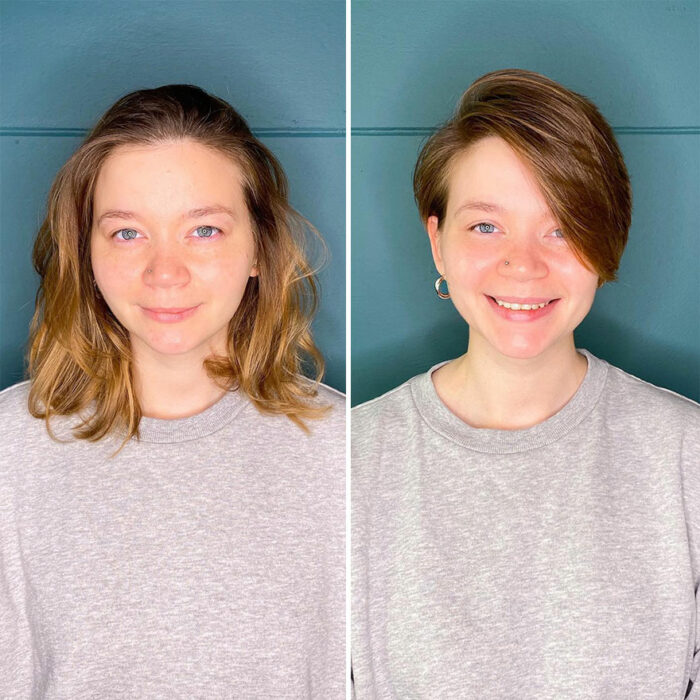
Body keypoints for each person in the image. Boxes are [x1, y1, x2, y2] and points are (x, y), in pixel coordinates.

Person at [351, 69, 699, 698]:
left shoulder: (686, 456)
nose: (524, 263)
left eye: (561, 226)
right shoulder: (348, 461)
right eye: (486, 226)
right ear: (437, 243)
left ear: (605, 241)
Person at [0, 85, 345, 697]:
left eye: (204, 230)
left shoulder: (346, 451)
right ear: (85, 252)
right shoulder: (10, 450)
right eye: (128, 233)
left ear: (259, 249)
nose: (166, 272)